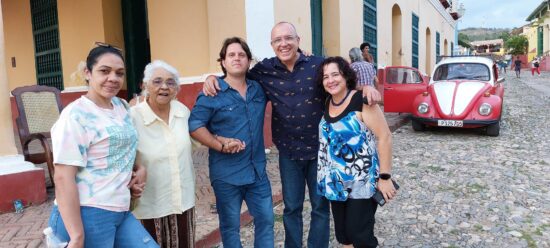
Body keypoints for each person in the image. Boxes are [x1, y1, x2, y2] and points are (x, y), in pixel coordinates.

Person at [202, 22, 381, 248]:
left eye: (288, 38)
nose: (283, 43)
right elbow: (237, 74)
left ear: (299, 40)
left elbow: (343, 79)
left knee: (320, 208)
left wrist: (365, 88)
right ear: (272, 45)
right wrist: (213, 78)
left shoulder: (317, 65)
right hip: (288, 152)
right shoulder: (264, 70)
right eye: (278, 40)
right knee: (292, 208)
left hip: (321, 153)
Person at [48, 44, 158, 247]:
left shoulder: (122, 107)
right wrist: (77, 236)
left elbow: (123, 148)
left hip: (121, 209)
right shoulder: (76, 115)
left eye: (119, 73)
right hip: (88, 212)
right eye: (104, 71)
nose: (113, 78)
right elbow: (63, 176)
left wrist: (139, 168)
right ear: (87, 73)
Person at [189, 37, 274, 247]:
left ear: (248, 61)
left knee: (266, 220)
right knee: (230, 227)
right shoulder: (212, 92)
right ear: (223, 62)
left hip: (257, 173)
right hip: (227, 175)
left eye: (241, 54)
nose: (237, 58)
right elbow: (194, 125)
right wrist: (220, 144)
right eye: (231, 55)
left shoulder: (259, 89)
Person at [316, 56, 396, 248]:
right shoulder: (327, 102)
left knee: (360, 235)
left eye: (335, 74)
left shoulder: (362, 101)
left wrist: (385, 177)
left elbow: (385, 137)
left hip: (362, 183)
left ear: (346, 76)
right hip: (336, 182)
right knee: (344, 236)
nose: (331, 80)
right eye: (326, 77)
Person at [130, 60, 196, 248]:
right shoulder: (133, 117)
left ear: (176, 88)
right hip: (149, 205)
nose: (164, 87)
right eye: (157, 81)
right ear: (145, 86)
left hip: (183, 202)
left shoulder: (182, 112)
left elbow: (195, 142)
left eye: (170, 82)